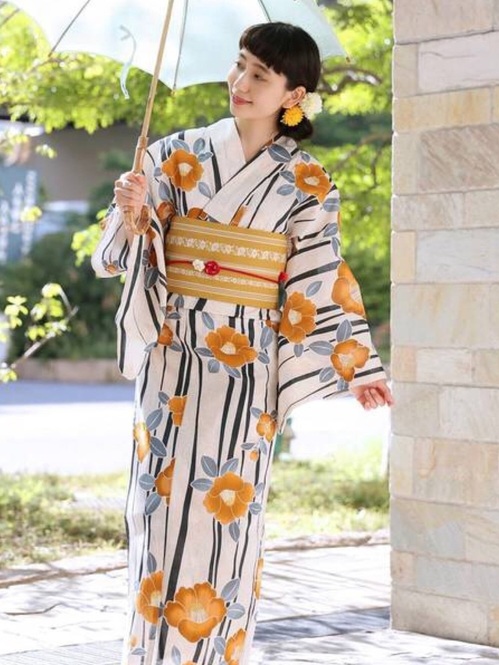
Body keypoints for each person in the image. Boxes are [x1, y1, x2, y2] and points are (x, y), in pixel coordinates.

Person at [92, 21, 393, 665]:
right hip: (173, 354)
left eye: (260, 74)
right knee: (158, 507)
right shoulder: (175, 154)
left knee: (230, 515)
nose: (240, 82)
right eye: (239, 66)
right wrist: (133, 210)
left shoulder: (308, 181)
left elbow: (320, 276)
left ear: (294, 94)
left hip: (247, 368)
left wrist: (359, 365)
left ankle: (218, 654)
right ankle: (151, 654)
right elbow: (116, 255)